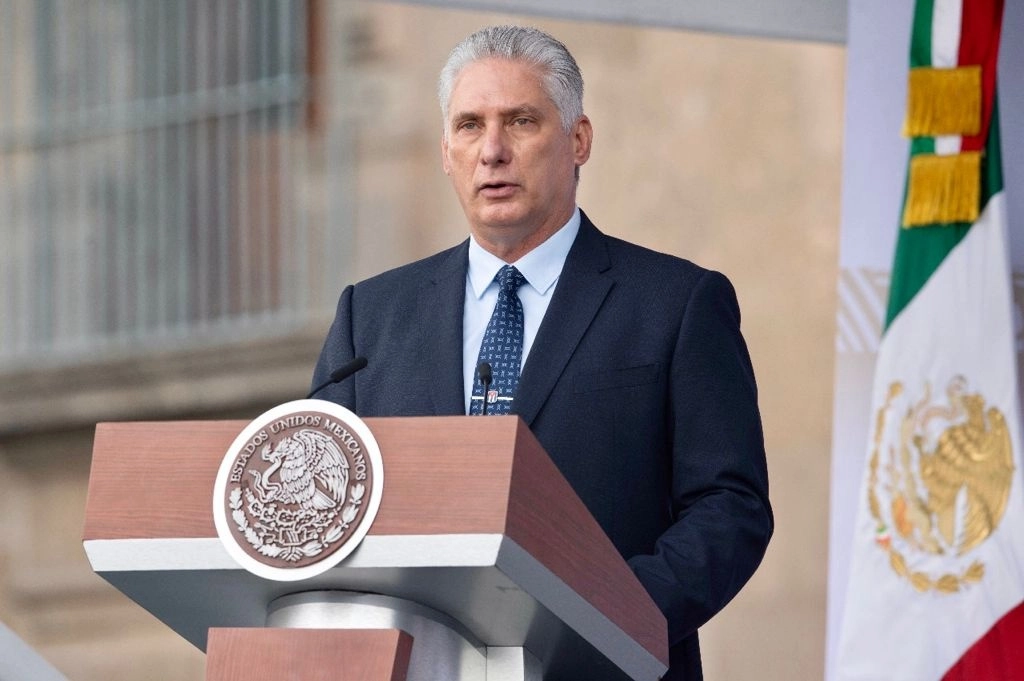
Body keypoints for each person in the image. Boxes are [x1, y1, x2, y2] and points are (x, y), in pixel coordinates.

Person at [312, 24, 772, 681]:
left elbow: (730, 508)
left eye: (521, 121)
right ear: (446, 150)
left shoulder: (675, 304)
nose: (492, 151)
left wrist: (606, 615)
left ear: (578, 140)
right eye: (469, 125)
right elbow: (323, 500)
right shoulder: (372, 317)